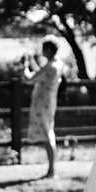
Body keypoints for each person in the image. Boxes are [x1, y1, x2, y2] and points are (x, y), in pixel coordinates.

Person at [21, 38, 64, 177]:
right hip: (49, 102)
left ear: (49, 50)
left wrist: (25, 65)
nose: (42, 52)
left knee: (47, 134)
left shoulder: (50, 67)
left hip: (42, 103)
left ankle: (52, 170)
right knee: (48, 132)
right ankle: (52, 170)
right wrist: (32, 60)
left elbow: (29, 78)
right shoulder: (57, 64)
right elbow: (40, 74)